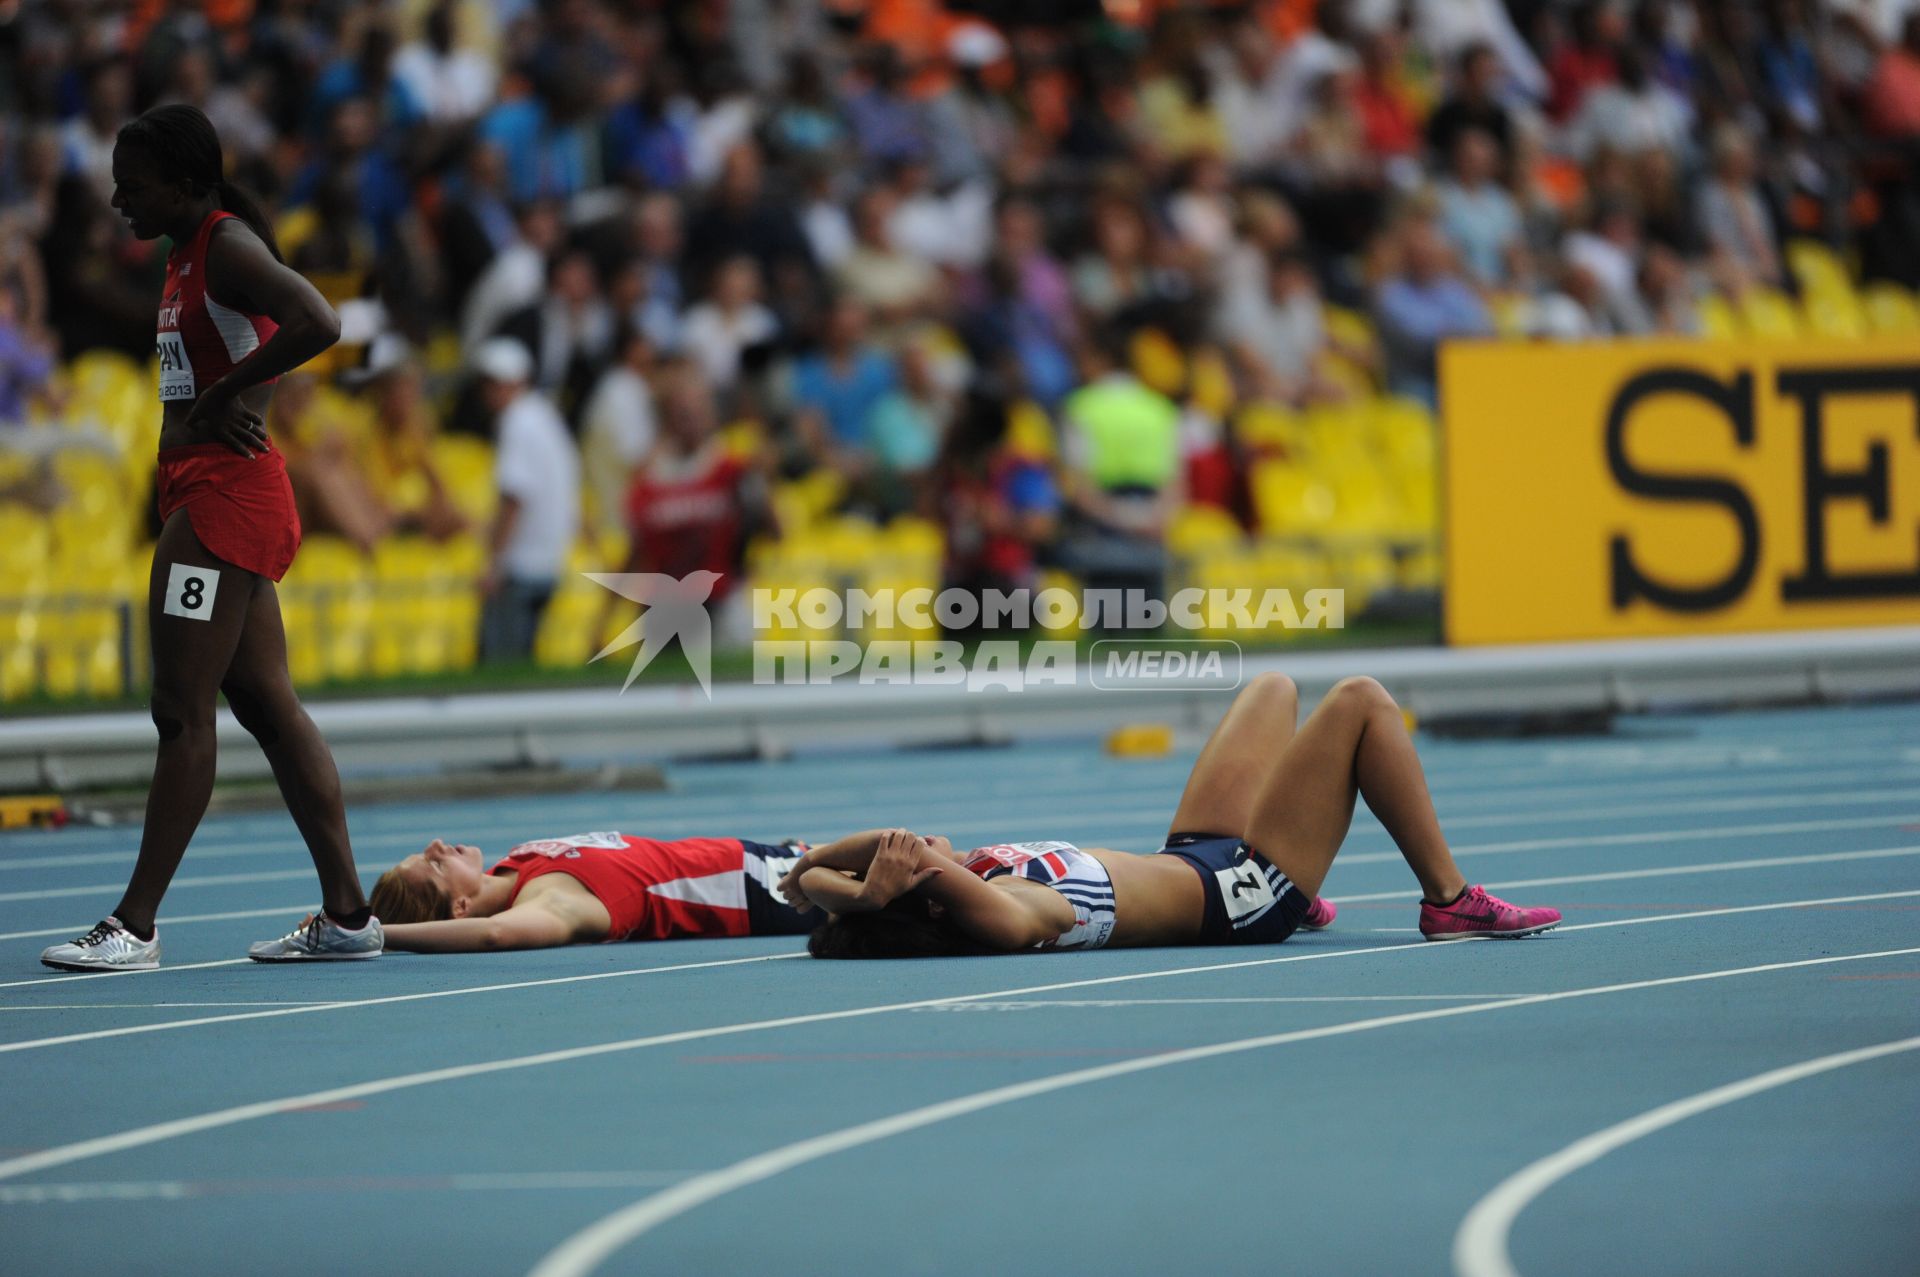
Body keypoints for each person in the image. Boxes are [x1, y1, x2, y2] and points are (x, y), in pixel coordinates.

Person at [40, 105, 381, 971]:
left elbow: (321, 320)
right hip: (207, 492)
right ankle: (348, 914)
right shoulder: (183, 253)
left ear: (186, 184)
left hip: (227, 500)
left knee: (180, 712)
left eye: (133, 182)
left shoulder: (226, 246)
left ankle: (136, 924)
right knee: (266, 706)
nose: (119, 197)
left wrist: (227, 395)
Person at [784, 673, 1562, 957]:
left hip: (1199, 854)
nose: (910, 842)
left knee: (1272, 689)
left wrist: (816, 873)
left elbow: (828, 863)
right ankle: (1450, 899)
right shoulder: (1008, 914)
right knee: (1361, 701)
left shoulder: (955, 876)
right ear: (919, 891)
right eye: (907, 860)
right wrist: (862, 891)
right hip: (1243, 896)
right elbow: (908, 855)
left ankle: (1308, 882)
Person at [367, 831, 822, 951]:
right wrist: (377, 934)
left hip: (764, 858)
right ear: (460, 906)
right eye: (432, 866)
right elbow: (493, 935)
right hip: (768, 892)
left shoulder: (516, 865)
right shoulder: (555, 902)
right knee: (891, 861)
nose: (434, 847)